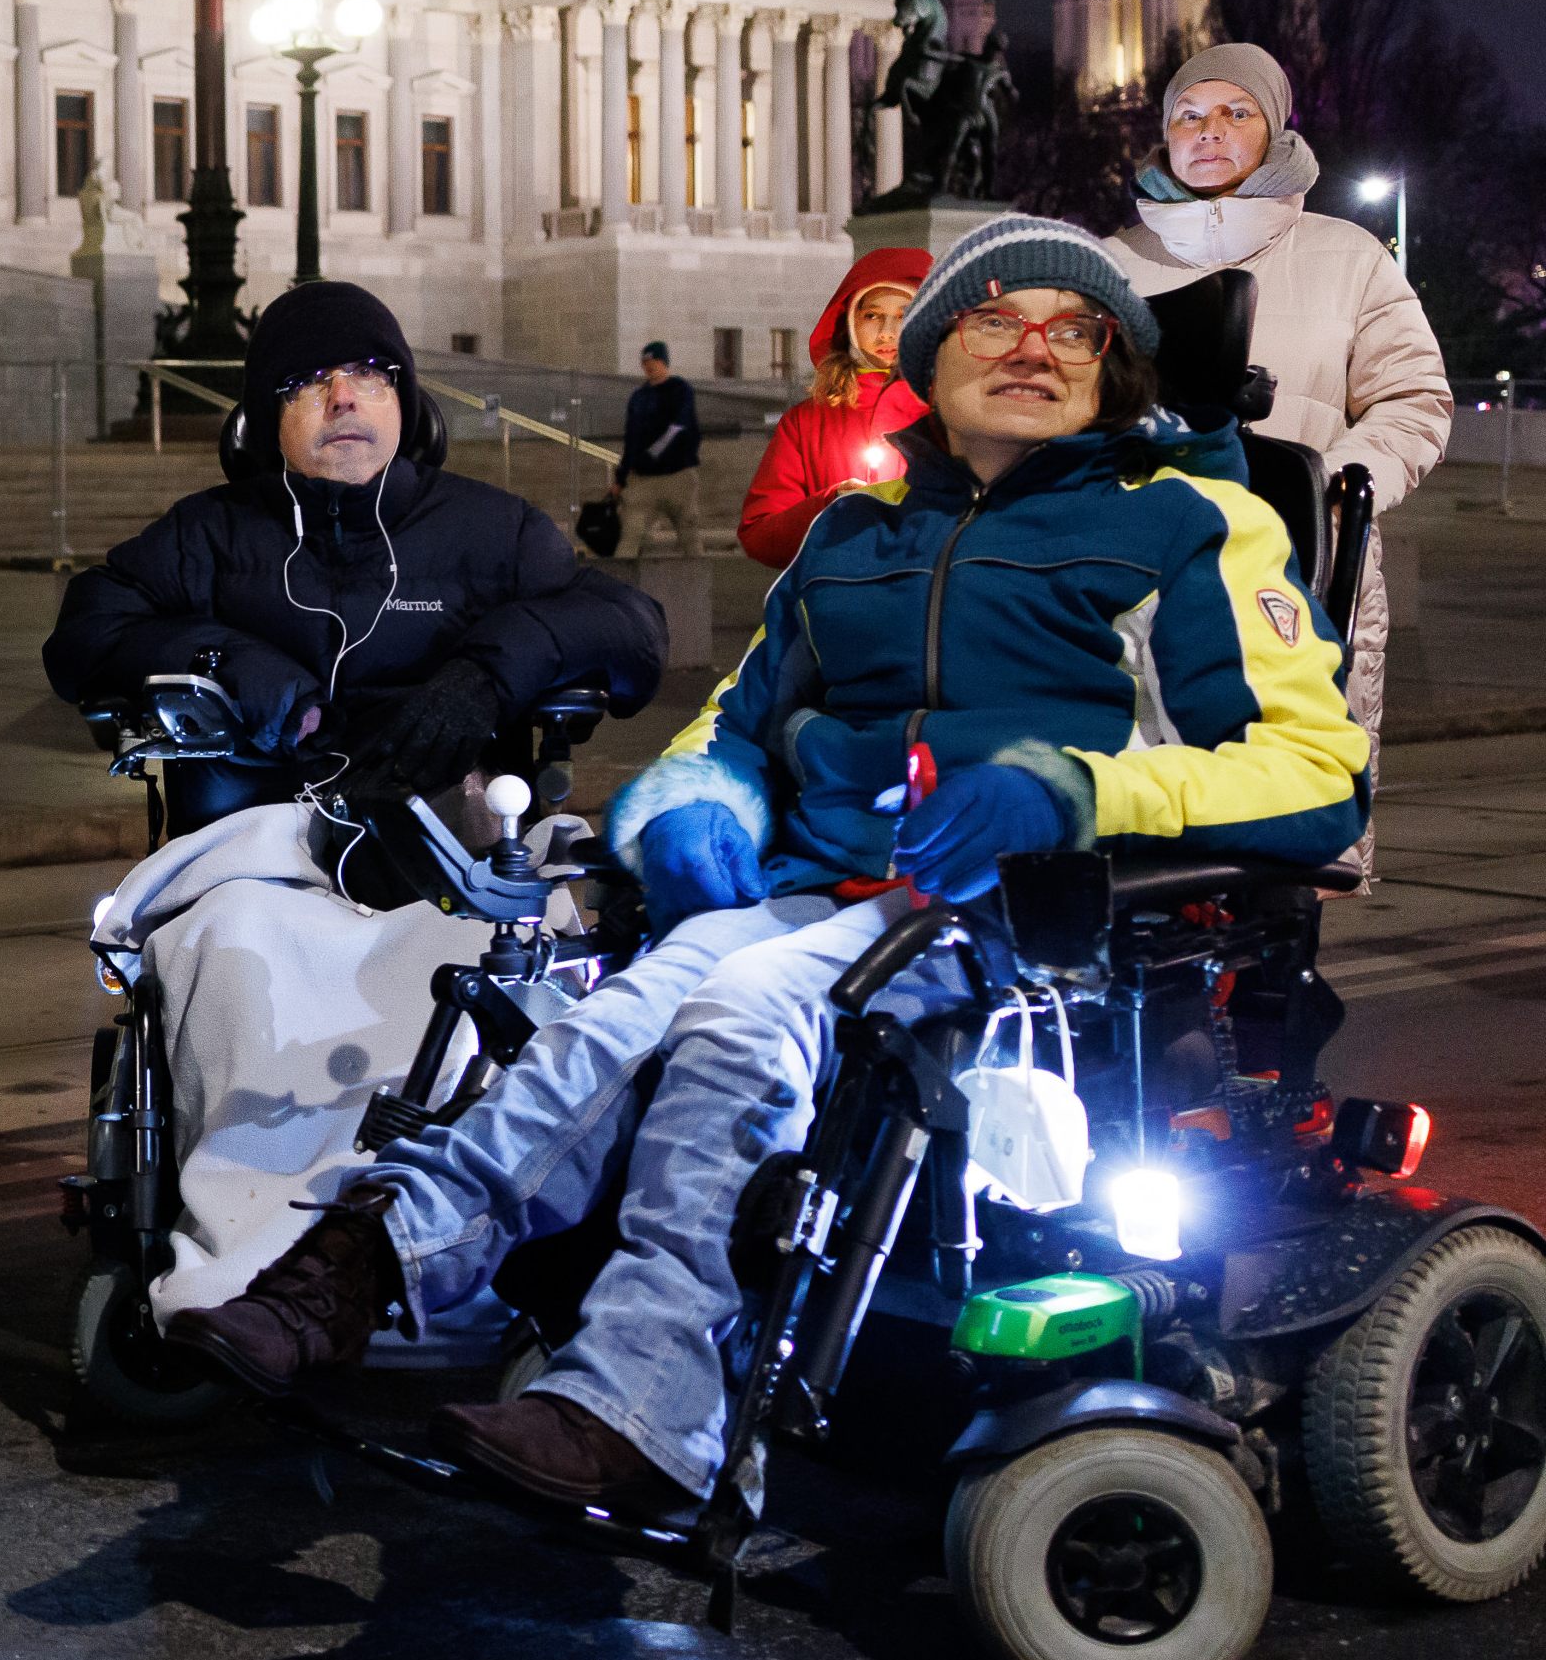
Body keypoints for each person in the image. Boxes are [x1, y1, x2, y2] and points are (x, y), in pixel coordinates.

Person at [200, 218, 1368, 1508]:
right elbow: (737, 725)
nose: (1031, 350)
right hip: (826, 891)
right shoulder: (853, 535)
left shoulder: (1191, 525)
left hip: (1032, 920)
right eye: (994, 320)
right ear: (930, 354)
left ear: (1116, 365)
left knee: (740, 1014)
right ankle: (356, 1271)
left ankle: (643, 1408)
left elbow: (1319, 776)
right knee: (610, 1017)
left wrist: (1069, 790)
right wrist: (699, 802)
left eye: (1072, 328)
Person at [41, 279, 668, 1351]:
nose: (345, 398)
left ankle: (466, 1250)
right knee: (231, 946)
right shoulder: (210, 537)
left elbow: (629, 625)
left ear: (406, 403)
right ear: (261, 419)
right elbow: (84, 630)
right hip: (267, 852)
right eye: (311, 382)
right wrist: (223, 658)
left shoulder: (490, 531)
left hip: (446, 851)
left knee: (541, 965)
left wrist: (487, 672)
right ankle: (249, 1274)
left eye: (371, 375)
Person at [1104, 40, 1448, 761]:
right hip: (1140, 571)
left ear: (1275, 132)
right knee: (1150, 798)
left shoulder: (1349, 257)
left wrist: (1327, 487)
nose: (1208, 129)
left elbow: (1412, 401)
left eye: (1236, 111)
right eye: (1188, 115)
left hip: (1305, 565)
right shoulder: (1111, 264)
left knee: (1300, 800)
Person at [735, 247, 930, 567]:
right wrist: (832, 505)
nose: (886, 332)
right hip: (833, 601)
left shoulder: (948, 414)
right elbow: (760, 535)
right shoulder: (805, 422)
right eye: (872, 315)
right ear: (850, 321)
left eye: (904, 316)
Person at [612, 340, 704, 553]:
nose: (649, 366)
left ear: (665, 362)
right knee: (629, 535)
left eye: (654, 361)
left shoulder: (680, 390)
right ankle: (620, 583)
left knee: (689, 534)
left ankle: (696, 582)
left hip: (677, 474)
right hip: (643, 478)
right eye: (646, 362)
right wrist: (621, 477)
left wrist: (651, 455)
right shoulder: (639, 397)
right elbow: (631, 439)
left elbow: (678, 427)